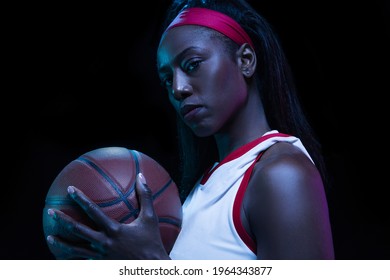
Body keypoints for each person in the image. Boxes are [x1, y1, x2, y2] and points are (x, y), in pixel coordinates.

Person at [46, 0, 335, 260]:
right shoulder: (203, 187)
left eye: (192, 64)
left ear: (245, 61)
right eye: (167, 79)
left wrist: (153, 264)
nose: (179, 88)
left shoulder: (281, 174)